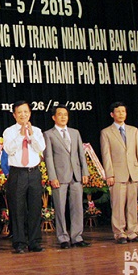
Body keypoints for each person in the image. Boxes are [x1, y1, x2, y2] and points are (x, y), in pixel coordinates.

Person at [43, 105, 91, 249]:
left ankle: (77, 237)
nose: (63, 117)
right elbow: (48, 157)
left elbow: (81, 154)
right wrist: (52, 176)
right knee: (60, 208)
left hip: (76, 175)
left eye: (65, 114)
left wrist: (85, 172)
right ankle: (63, 238)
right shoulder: (49, 134)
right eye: (60, 114)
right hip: (59, 176)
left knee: (77, 207)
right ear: (54, 117)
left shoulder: (74, 132)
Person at [100, 102, 138, 244]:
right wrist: (110, 174)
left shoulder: (133, 130)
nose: (121, 114)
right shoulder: (106, 132)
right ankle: (119, 233)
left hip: (133, 172)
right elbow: (106, 155)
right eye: (118, 112)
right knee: (118, 205)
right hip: (117, 173)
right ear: (112, 114)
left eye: (123, 111)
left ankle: (133, 232)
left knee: (133, 204)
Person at [3, 101, 46, 254]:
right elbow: (9, 149)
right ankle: (19, 242)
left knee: (35, 208)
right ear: (14, 115)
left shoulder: (37, 130)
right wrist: (21, 136)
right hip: (17, 173)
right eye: (19, 112)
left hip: (34, 172)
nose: (23, 115)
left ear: (30, 113)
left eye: (25, 112)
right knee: (17, 209)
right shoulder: (9, 131)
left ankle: (34, 241)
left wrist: (31, 135)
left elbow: (40, 148)